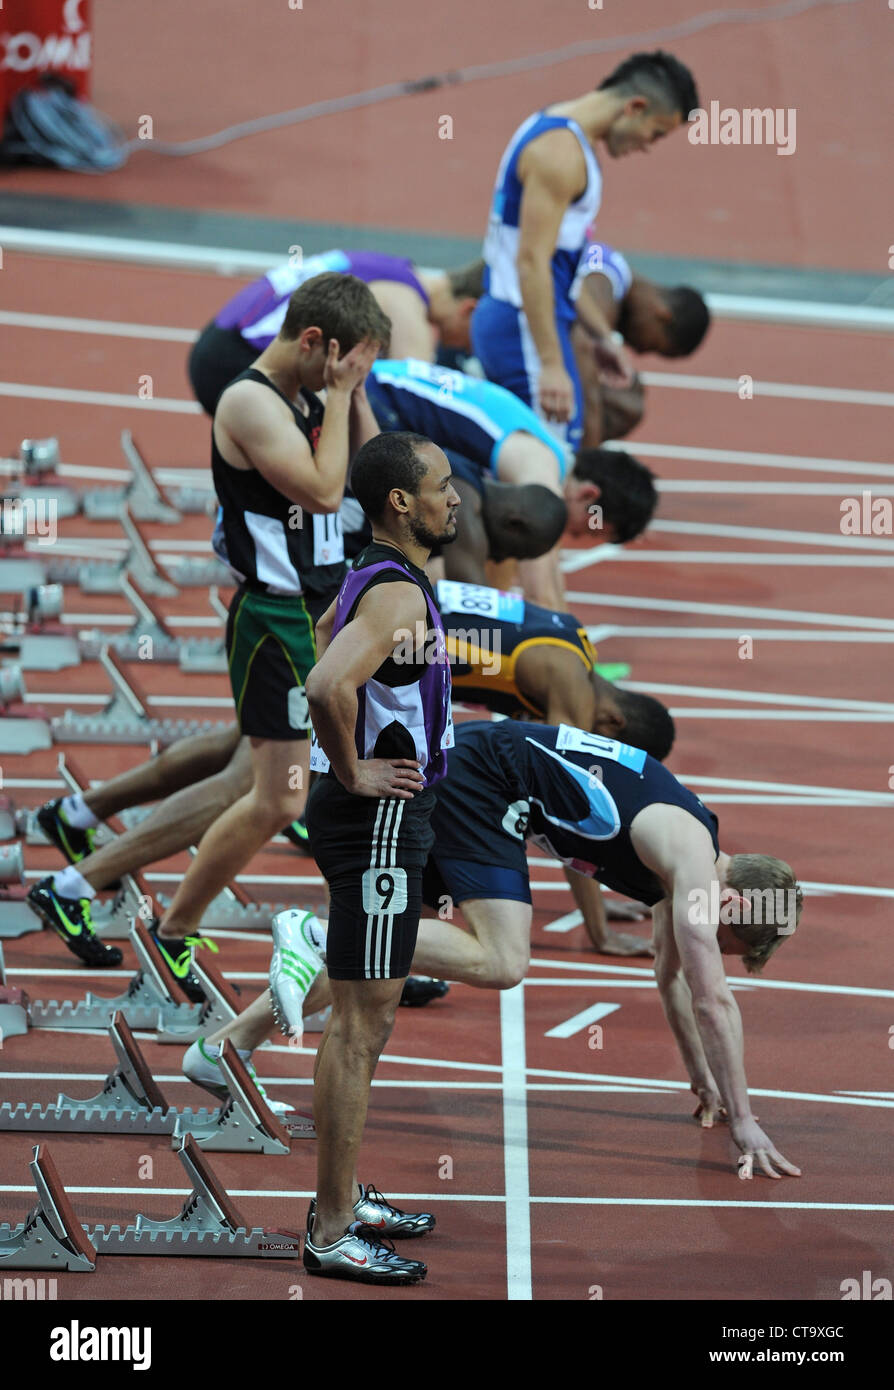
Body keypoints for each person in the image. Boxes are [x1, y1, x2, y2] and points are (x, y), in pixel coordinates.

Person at [272, 718, 804, 1181]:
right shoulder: (692, 865)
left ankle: (230, 1044)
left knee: (397, 959)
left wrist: (703, 1080)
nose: (710, 941)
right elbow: (714, 999)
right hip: (485, 777)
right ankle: (319, 934)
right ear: (731, 903)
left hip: (485, 771)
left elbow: (674, 980)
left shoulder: (688, 863)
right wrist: (745, 1120)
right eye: (723, 940)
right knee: (504, 959)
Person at [298, 431, 458, 1284]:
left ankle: (340, 1196)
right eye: (441, 486)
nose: (456, 498)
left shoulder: (375, 577)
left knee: (366, 1022)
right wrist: (355, 770)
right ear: (401, 502)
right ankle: (329, 1229)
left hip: (378, 817)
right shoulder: (396, 597)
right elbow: (327, 683)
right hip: (378, 825)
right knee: (362, 1025)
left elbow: (327, 632)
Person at [472, 51, 698, 452]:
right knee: (552, 465)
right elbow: (531, 262)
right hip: (521, 326)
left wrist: (600, 336)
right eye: (657, 133)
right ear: (635, 107)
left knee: (537, 459)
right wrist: (552, 364)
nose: (649, 146)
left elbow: (560, 267)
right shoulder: (561, 154)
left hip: (525, 323)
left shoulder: (564, 135)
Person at [362, 358, 657, 607]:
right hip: (377, 395)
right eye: (584, 530)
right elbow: (540, 590)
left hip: (382, 388)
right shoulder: (541, 469)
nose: (569, 535)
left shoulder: (547, 451)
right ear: (588, 495)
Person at [189, 248, 485, 414]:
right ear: (469, 309)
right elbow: (417, 400)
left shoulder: (390, 266)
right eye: (480, 338)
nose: (472, 350)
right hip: (240, 362)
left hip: (217, 343)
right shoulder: (406, 301)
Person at [570, 240, 710, 445]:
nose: (639, 350)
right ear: (662, 315)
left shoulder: (611, 265)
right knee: (625, 403)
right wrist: (589, 456)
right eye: (652, 347)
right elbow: (581, 343)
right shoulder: (606, 282)